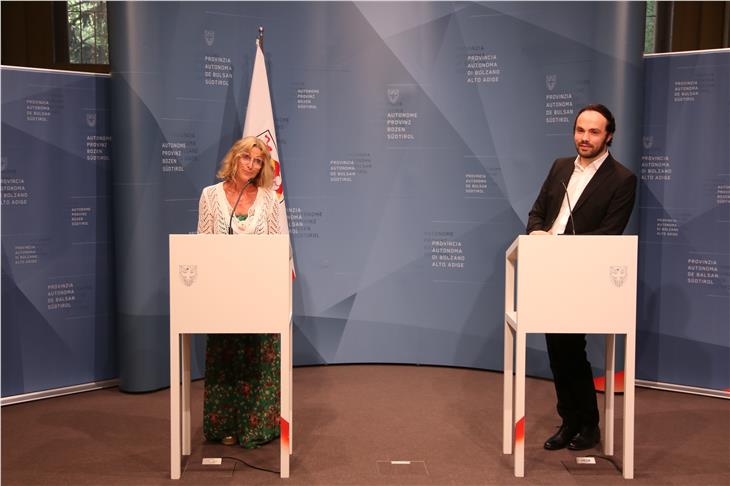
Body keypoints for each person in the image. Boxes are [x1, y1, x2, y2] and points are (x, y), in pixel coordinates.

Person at [526, 104, 637, 451]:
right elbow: (537, 213)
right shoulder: (560, 167)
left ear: (609, 136)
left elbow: (609, 233)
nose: (584, 138)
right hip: (546, 270)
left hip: (583, 276)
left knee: (572, 349)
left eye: (593, 132)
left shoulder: (622, 179)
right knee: (557, 350)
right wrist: (536, 234)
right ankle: (570, 420)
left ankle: (588, 424)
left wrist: (562, 249)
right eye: (580, 130)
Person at [196, 136, 287, 447]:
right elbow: (201, 245)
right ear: (234, 159)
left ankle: (257, 426)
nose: (252, 165)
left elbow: (278, 248)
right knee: (227, 358)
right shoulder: (210, 196)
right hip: (224, 297)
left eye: (258, 160)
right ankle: (225, 427)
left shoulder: (268, 200)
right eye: (247, 158)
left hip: (260, 296)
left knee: (257, 359)